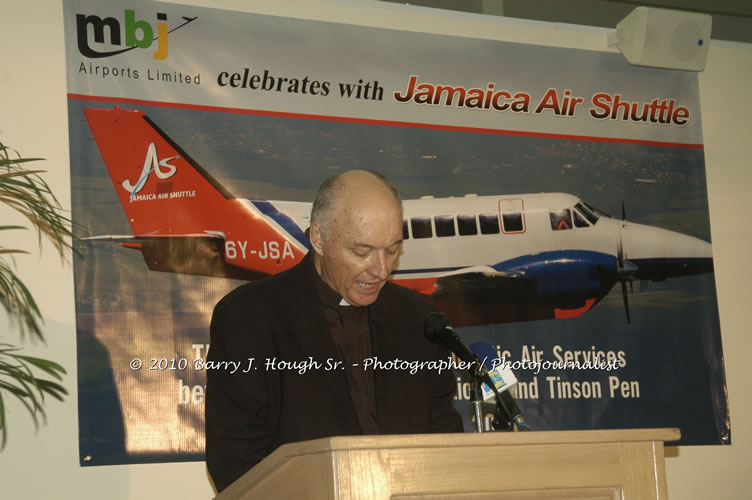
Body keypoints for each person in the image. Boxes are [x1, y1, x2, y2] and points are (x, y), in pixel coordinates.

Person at [205, 170, 463, 492]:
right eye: (362, 251)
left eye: (392, 249)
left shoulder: (419, 318)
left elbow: (445, 440)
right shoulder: (250, 317)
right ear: (319, 239)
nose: (381, 269)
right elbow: (235, 461)